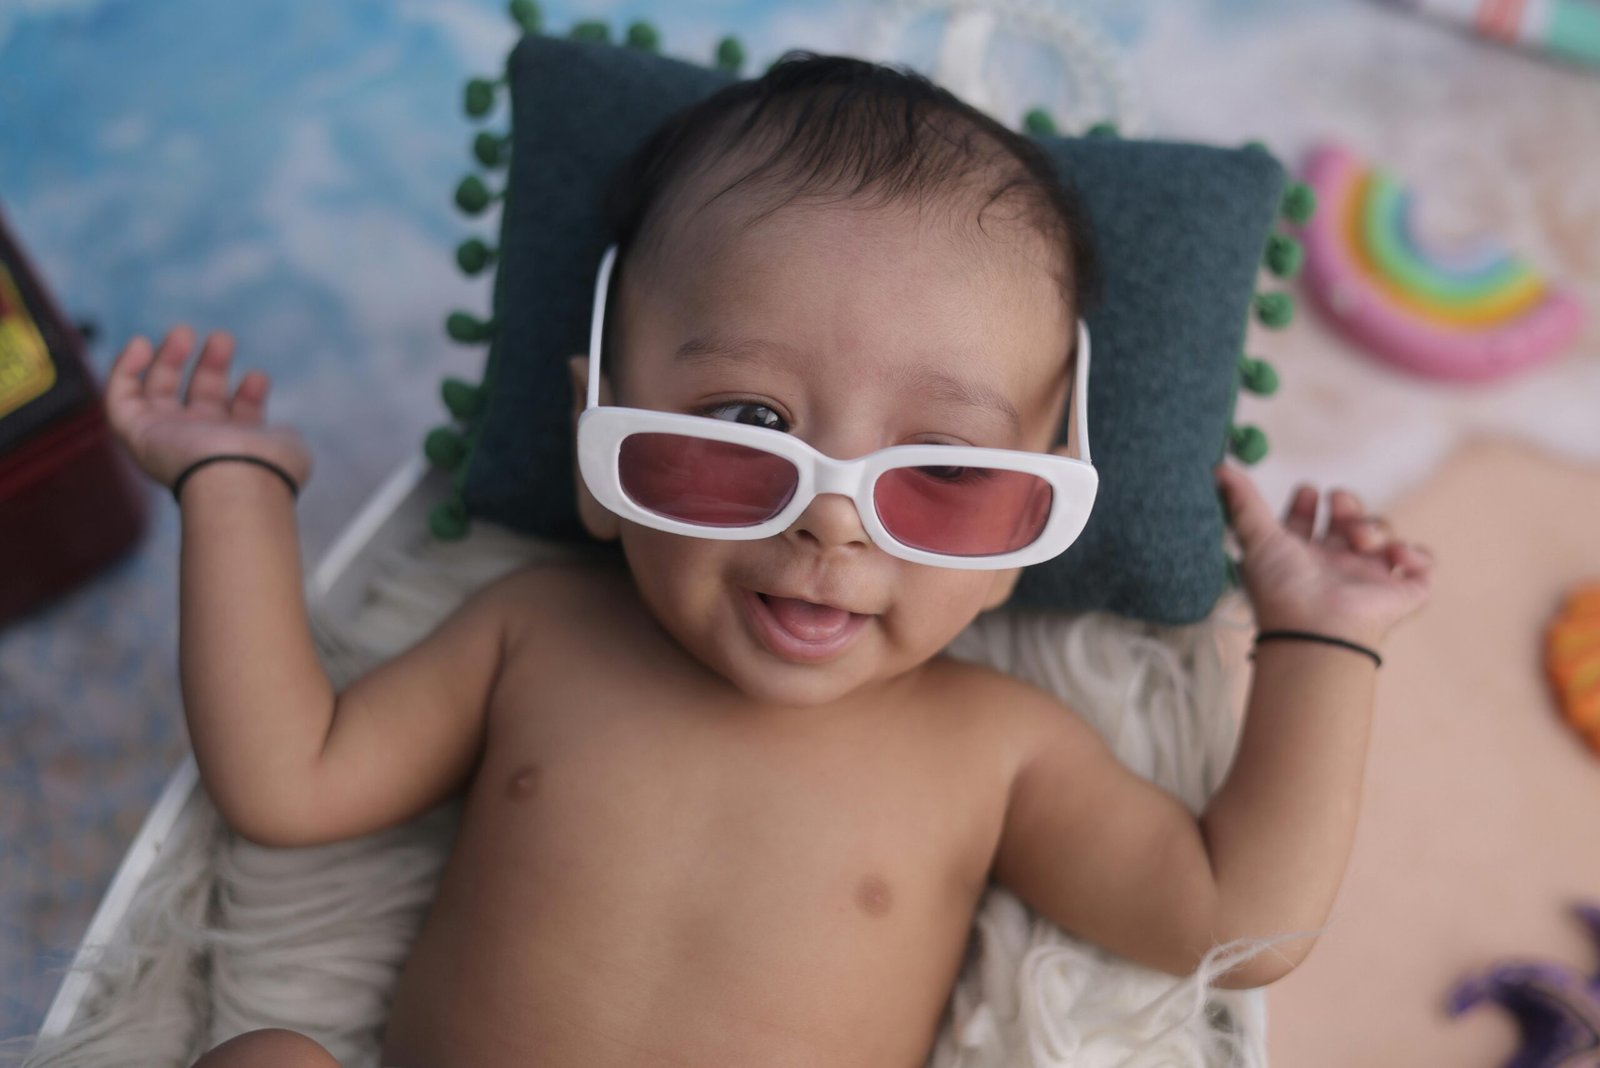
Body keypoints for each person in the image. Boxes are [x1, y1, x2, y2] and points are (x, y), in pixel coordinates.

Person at [105, 53, 1433, 1068]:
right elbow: (286, 780)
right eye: (750, 430)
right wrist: (235, 492)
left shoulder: (999, 749)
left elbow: (1232, 917)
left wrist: (1323, 640)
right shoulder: (536, 634)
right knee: (266, 1059)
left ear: (1032, 532)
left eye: (949, 472)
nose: (831, 524)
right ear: (594, 445)